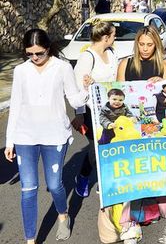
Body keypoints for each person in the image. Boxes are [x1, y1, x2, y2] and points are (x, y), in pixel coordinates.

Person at [5, 29, 92, 243]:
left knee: (54, 185)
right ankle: (30, 239)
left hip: (55, 136)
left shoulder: (62, 68)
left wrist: (86, 89)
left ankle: (63, 215)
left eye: (39, 53)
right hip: (25, 136)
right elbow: (15, 105)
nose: (35, 58)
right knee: (28, 189)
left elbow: (74, 100)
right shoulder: (21, 71)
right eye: (29, 54)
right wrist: (9, 141)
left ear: (48, 48)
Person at [72, 21, 118, 197]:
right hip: (92, 110)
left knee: (109, 143)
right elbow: (78, 88)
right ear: (106, 37)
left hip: (111, 108)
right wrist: (80, 114)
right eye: (113, 35)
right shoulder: (87, 57)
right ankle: (84, 177)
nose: (115, 38)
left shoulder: (112, 53)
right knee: (96, 146)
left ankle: (103, 181)